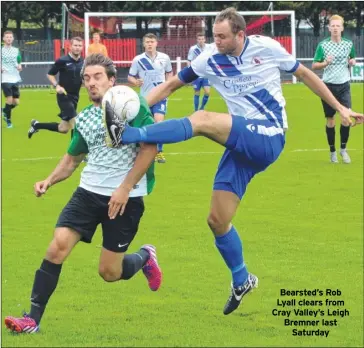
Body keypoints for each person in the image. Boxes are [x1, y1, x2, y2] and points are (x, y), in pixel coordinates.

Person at [103, 8, 364, 315]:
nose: (217, 41)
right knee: (217, 220)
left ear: (240, 35)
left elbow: (305, 74)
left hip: (269, 134)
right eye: (215, 35)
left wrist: (341, 108)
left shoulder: (266, 48)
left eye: (223, 36)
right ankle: (242, 279)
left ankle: (128, 134)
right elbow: (172, 85)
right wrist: (135, 105)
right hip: (241, 142)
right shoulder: (209, 57)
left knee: (201, 118)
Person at [4, 53, 162, 334]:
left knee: (109, 273)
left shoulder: (131, 105)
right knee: (57, 247)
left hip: (125, 198)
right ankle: (32, 319)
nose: (91, 83)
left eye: (98, 77)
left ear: (112, 80)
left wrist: (125, 188)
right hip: (87, 194)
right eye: (86, 78)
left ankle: (144, 257)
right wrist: (49, 180)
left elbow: (150, 149)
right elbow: (72, 158)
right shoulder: (87, 117)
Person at [312, 14, 356, 164]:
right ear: (329, 28)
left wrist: (352, 61)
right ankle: (332, 152)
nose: (335, 28)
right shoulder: (323, 45)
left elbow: (352, 58)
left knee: (346, 118)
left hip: (344, 85)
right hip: (328, 87)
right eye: (333, 26)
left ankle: (343, 150)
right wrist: (325, 63)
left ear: (342, 28)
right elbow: (314, 65)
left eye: (338, 26)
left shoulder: (348, 44)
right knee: (330, 120)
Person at [128, 33, 173, 164]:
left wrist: (168, 84)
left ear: (156, 43)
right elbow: (130, 76)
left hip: (160, 96)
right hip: (145, 98)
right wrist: (135, 82)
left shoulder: (164, 58)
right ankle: (139, 151)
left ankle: (159, 152)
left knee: (159, 122)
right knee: (144, 124)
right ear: (143, 44)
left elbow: (169, 73)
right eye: (147, 42)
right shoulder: (138, 60)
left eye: (152, 42)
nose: (149, 44)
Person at [28, 37, 84, 138]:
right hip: (64, 97)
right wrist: (56, 86)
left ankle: (36, 125)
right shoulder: (62, 61)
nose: (77, 48)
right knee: (77, 124)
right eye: (75, 45)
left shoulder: (83, 62)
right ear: (70, 46)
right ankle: (74, 153)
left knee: (63, 128)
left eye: (80, 46)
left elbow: (83, 78)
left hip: (75, 97)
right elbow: (50, 74)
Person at [1, 30, 22, 129]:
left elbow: (18, 61)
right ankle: (8, 120)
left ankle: (5, 110)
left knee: (16, 102)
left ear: (13, 39)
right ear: (3, 39)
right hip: (5, 78)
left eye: (10, 37)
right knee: (9, 99)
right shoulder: (1, 50)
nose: (9, 39)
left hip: (15, 77)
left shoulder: (16, 50)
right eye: (7, 37)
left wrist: (19, 66)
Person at [187, 32, 211, 111]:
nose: (201, 40)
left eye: (202, 39)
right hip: (196, 74)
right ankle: (196, 110)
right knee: (197, 92)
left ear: (205, 40)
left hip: (206, 74)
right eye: (199, 39)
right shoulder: (193, 49)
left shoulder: (209, 47)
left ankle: (202, 107)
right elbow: (189, 60)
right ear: (197, 40)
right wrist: (189, 73)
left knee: (207, 92)